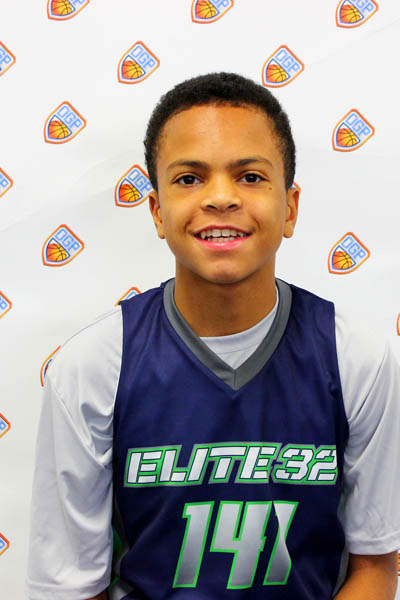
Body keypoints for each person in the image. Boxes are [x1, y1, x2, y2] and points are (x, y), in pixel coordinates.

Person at [26, 72, 400, 600]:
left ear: (290, 207)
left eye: (250, 176)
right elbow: (69, 589)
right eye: (189, 178)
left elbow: (376, 569)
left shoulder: (357, 357)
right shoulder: (91, 367)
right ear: (157, 211)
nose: (221, 198)